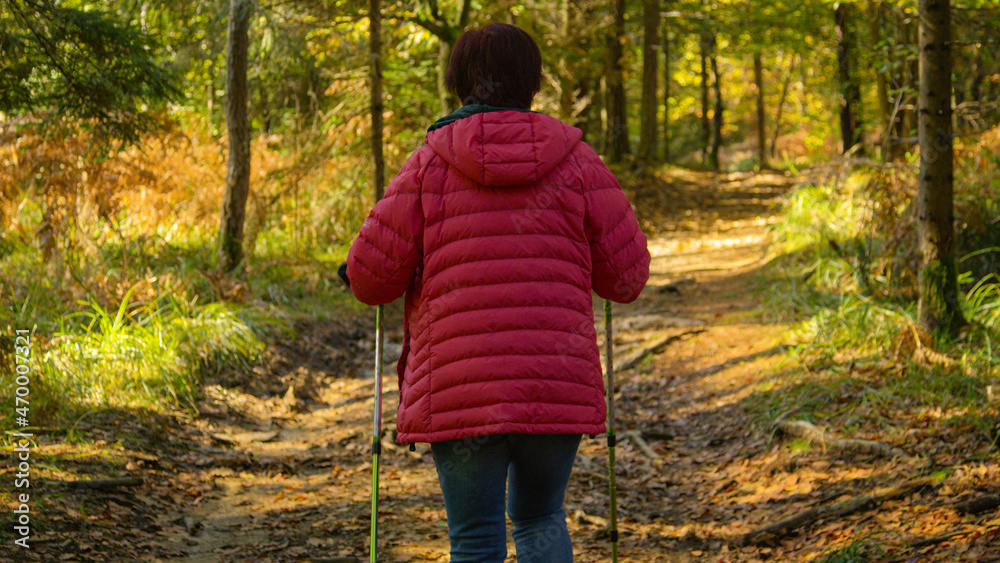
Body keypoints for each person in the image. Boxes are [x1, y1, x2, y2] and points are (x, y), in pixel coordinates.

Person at [346, 22, 649, 563]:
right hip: (555, 379)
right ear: (531, 82)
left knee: (475, 539)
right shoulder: (578, 161)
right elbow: (625, 279)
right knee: (540, 520)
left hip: (460, 383)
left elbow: (370, 280)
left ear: (461, 80)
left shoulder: (429, 164)